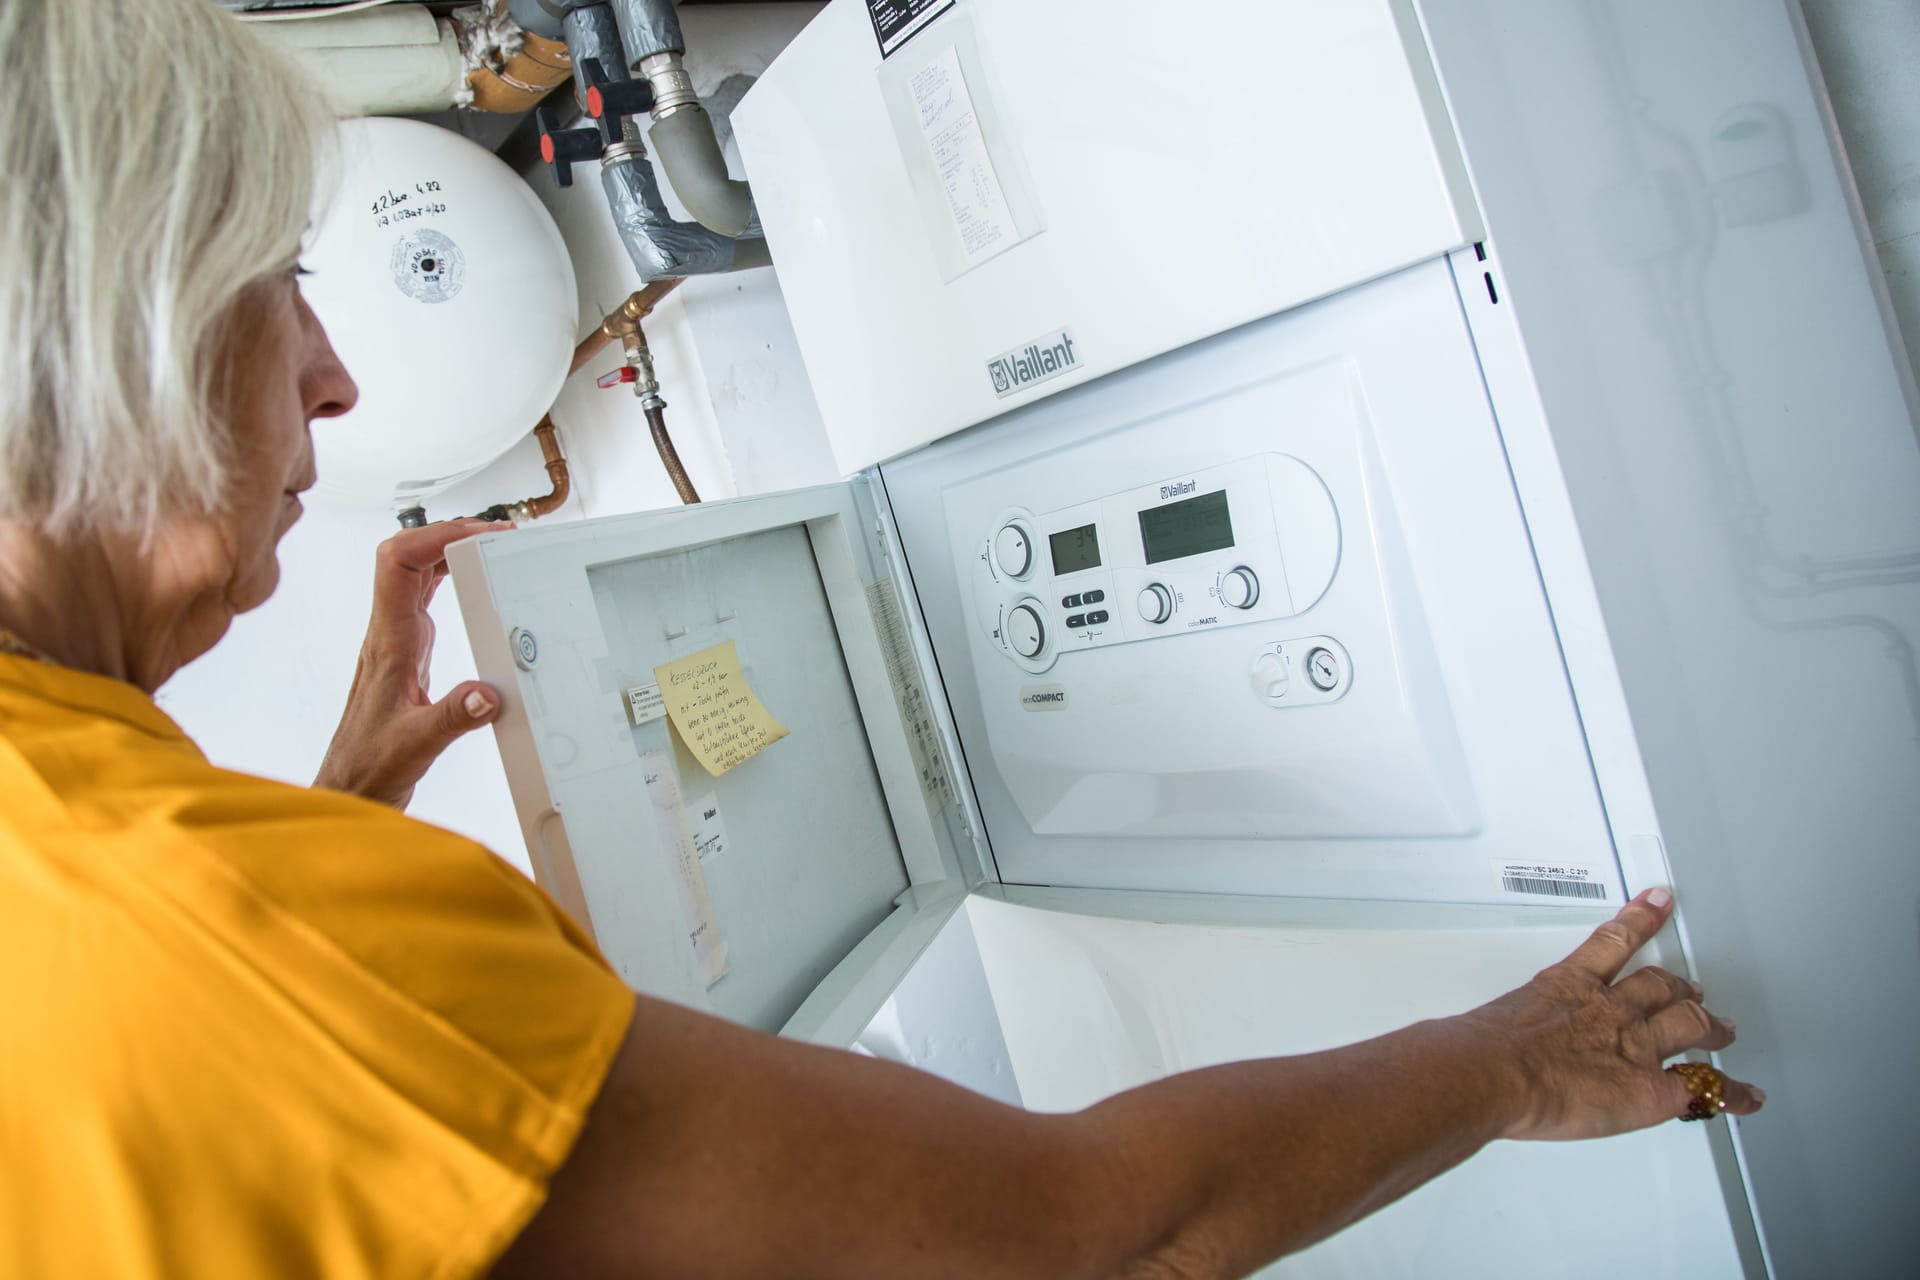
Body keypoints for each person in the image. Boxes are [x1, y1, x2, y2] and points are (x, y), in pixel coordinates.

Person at [0, 2, 1762, 1277]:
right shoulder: (221, 935)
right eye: (273, 286)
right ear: (110, 332)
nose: (336, 376)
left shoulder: (124, 883)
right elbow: (1091, 1241)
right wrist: (1507, 1058)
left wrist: (338, 819)